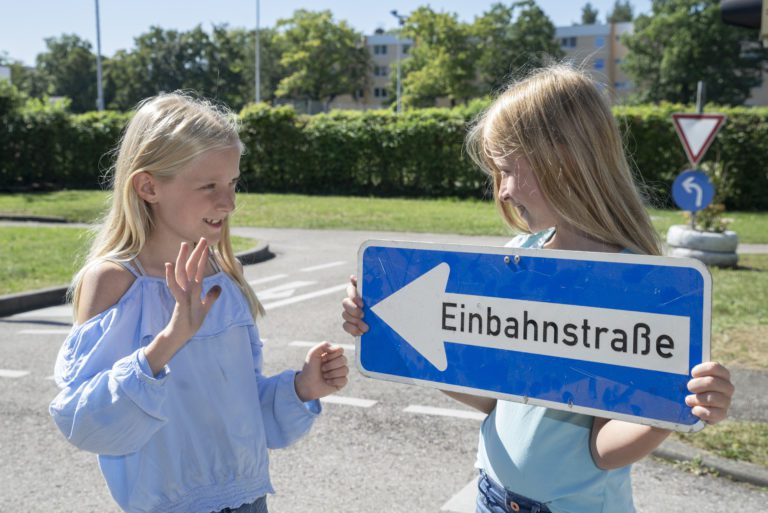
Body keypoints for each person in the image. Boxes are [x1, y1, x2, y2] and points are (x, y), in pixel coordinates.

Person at [341, 65, 734, 513]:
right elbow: (494, 400)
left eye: (507, 170)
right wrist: (397, 337)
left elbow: (603, 448)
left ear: (563, 161)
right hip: (490, 495)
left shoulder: (634, 284)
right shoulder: (519, 255)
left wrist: (676, 408)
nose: (503, 191)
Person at [50, 92, 349, 513]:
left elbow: (243, 411)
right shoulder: (114, 282)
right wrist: (169, 341)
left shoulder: (223, 278)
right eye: (209, 185)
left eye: (232, 183)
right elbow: (87, 423)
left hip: (250, 501)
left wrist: (302, 388)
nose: (227, 202)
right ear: (149, 186)